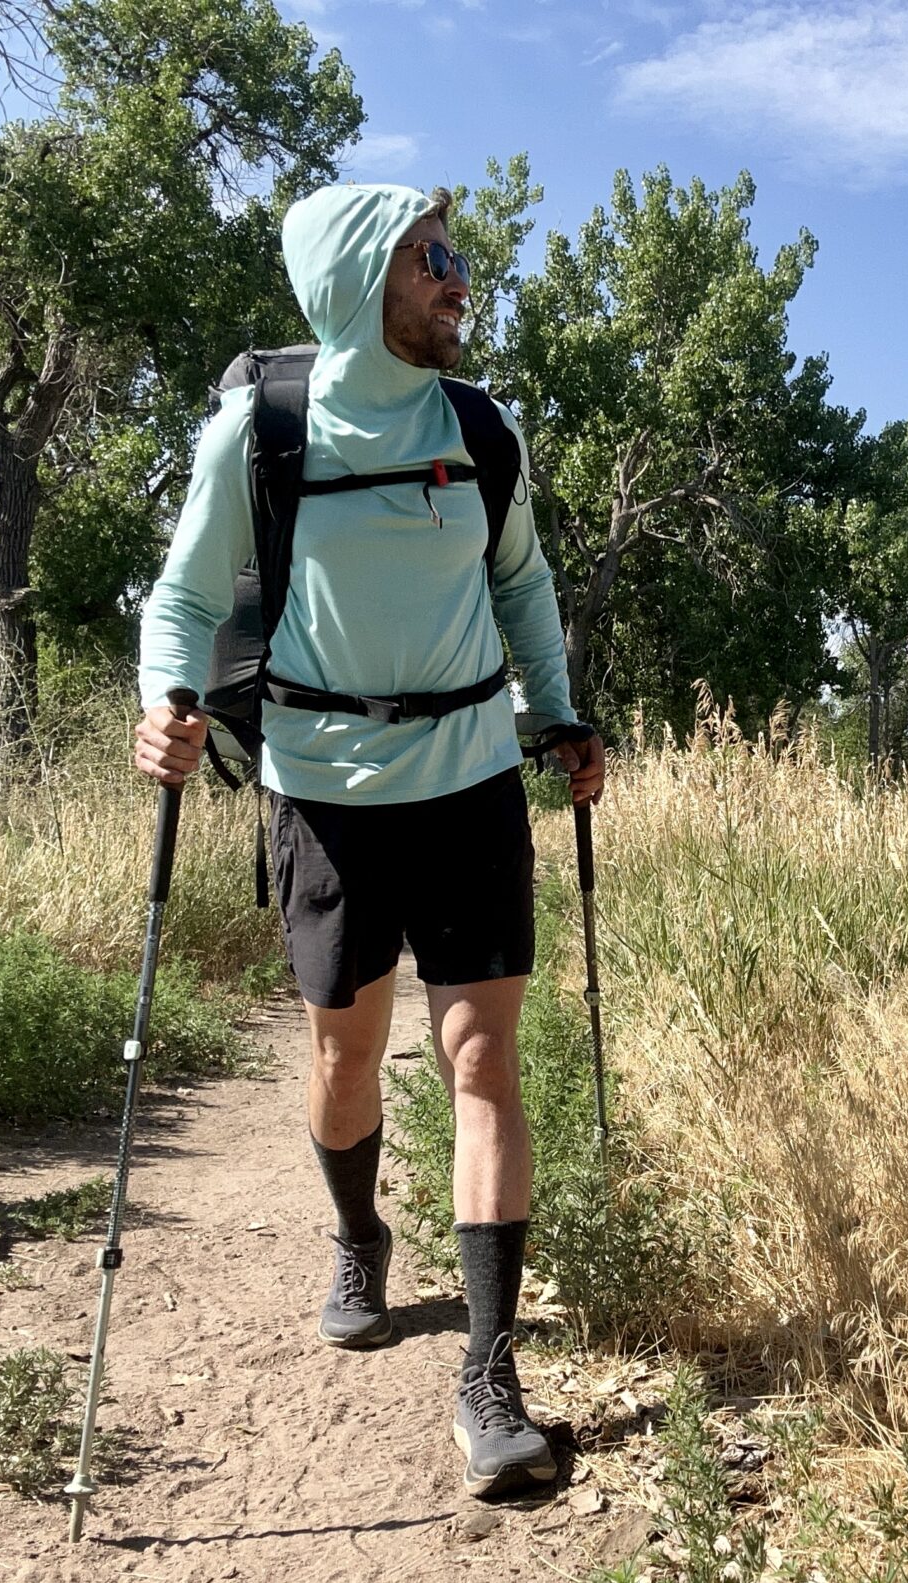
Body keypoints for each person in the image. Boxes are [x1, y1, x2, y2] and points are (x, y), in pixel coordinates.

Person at [129, 182, 603, 1500]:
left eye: (456, 257)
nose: (459, 278)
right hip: (322, 789)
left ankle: (491, 1377)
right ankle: (357, 1236)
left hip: (466, 781)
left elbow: (522, 584)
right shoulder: (262, 434)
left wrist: (557, 716)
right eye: (430, 260)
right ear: (358, 283)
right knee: (345, 1056)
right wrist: (161, 709)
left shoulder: (478, 428)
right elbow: (176, 600)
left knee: (480, 1055)